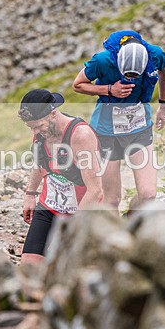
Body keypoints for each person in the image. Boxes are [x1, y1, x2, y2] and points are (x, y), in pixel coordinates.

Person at [72, 30, 165, 210]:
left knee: (148, 194)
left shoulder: (154, 54)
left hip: (139, 128)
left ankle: (131, 220)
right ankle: (115, 228)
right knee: (112, 200)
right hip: (106, 132)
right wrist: (109, 89)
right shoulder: (103, 60)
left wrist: (163, 106)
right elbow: (77, 85)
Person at [19, 89, 103, 263]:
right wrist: (30, 194)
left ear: (53, 113)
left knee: (66, 268)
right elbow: (40, 163)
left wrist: (73, 227)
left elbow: (96, 191)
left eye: (38, 126)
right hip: (49, 206)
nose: (35, 132)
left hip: (80, 212)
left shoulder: (80, 135)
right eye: (31, 127)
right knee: (29, 265)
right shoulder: (42, 133)